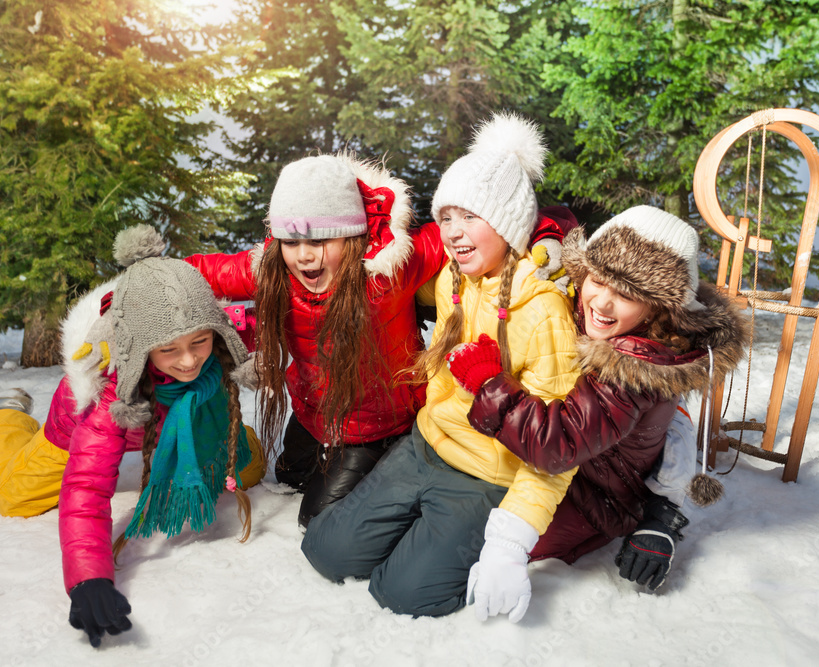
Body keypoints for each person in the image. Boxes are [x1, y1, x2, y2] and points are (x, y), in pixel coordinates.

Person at [184, 152, 571, 528]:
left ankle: (389, 454)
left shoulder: (392, 267)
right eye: (291, 242)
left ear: (352, 236)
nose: (303, 257)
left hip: (375, 425)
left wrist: (547, 235)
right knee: (287, 478)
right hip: (312, 413)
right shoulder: (274, 273)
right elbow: (203, 272)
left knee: (316, 518)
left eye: (320, 242)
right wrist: (131, 294)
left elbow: (492, 217)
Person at [301, 112, 581, 621]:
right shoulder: (454, 279)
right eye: (446, 217)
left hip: (486, 475)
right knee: (324, 550)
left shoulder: (542, 310)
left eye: (471, 216)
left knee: (405, 594)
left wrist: (509, 542)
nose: (453, 232)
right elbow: (393, 273)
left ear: (509, 225)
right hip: (425, 446)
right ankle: (415, 532)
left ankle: (446, 547)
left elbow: (555, 448)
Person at [0, 225, 265, 647]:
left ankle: (204, 435)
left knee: (247, 466)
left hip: (170, 425)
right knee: (16, 493)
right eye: (168, 349)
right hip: (75, 430)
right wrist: (89, 579)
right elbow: (87, 487)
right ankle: (1, 417)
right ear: (139, 347)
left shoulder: (218, 348)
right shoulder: (107, 394)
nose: (190, 360)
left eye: (200, 341)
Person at [448, 205, 748, 591]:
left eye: (625, 294)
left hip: (595, 499)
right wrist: (546, 239)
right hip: (563, 471)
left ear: (659, 308)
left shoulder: (634, 369)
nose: (602, 302)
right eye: (598, 280)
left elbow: (557, 444)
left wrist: (489, 382)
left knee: (463, 543)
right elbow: (548, 216)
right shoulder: (598, 314)